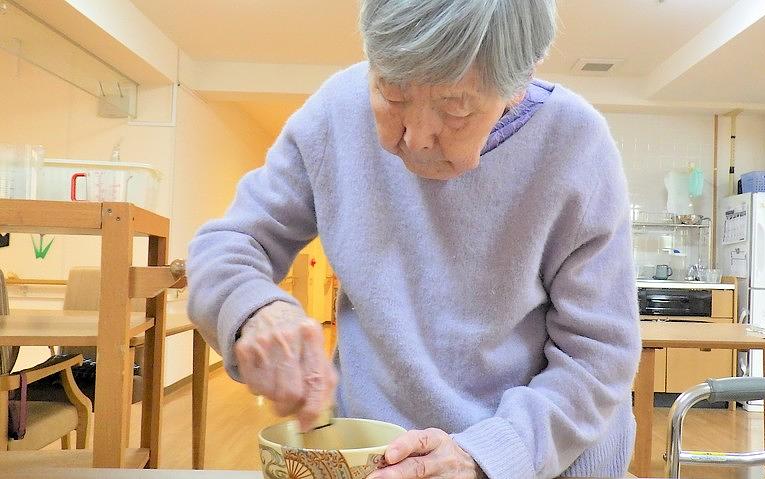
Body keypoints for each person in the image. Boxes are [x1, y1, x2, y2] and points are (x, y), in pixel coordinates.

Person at [187, 0, 642, 477]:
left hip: (539, 456)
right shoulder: (336, 111)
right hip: (373, 454)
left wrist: (489, 454)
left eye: (457, 108)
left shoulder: (575, 144)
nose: (416, 137)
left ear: (518, 84)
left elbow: (598, 355)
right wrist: (253, 310)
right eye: (392, 94)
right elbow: (229, 244)